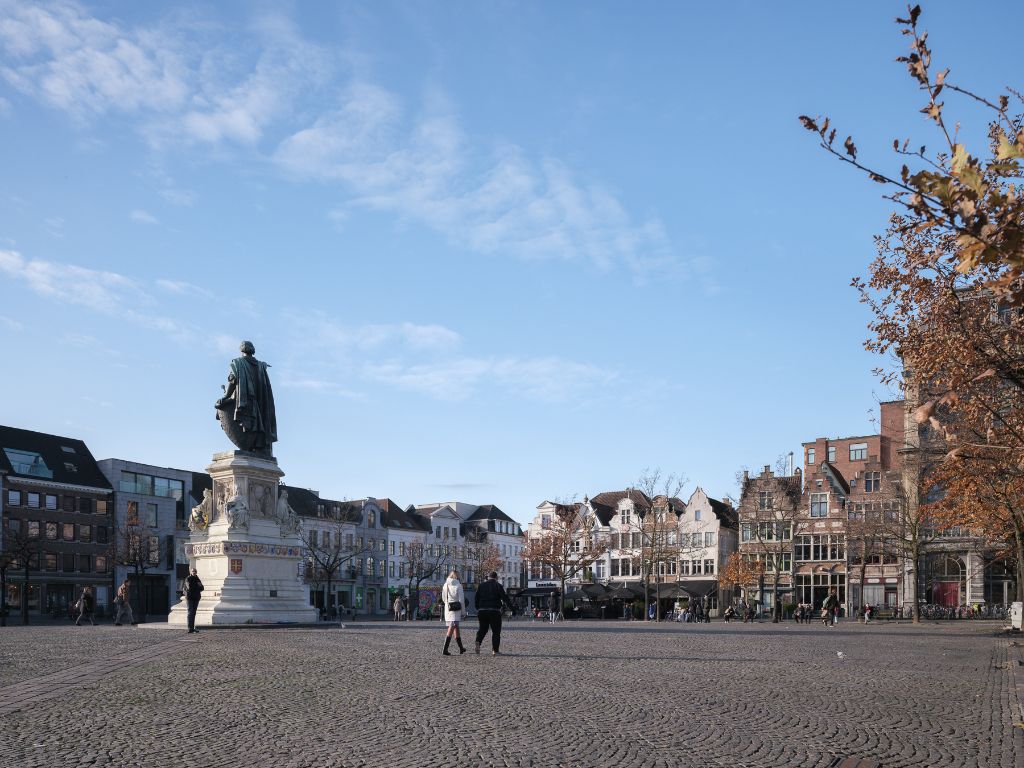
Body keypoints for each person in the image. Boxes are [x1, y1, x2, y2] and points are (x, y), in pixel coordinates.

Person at [215, 340, 278, 456]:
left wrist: (226, 396)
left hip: (246, 401)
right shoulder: (260, 366)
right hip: (260, 403)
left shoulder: (238, 363)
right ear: (252, 350)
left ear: (241, 350)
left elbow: (233, 381)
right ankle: (258, 446)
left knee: (248, 423)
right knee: (257, 423)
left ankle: (249, 445)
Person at [475, 571, 514, 656]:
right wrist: (512, 609)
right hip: (494, 611)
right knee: (496, 631)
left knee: (482, 629)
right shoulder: (498, 586)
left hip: (482, 610)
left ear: (488, 577)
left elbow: (476, 598)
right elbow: (505, 598)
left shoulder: (481, 586)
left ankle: (478, 641)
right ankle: (495, 650)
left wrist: (478, 608)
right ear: (496, 578)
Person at [440, 570, 467, 656]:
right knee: (452, 627)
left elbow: (443, 598)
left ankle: (461, 648)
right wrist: (463, 612)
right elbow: (461, 600)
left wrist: (448, 604)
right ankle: (445, 649)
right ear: (457, 576)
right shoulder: (458, 585)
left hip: (448, 609)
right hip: (456, 609)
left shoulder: (445, 585)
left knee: (456, 627)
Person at [184, 567, 204, 634]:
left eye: (195, 571)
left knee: (194, 613)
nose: (194, 572)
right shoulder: (188, 579)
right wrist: (197, 586)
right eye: (193, 571)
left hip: (196, 597)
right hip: (189, 598)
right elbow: (190, 587)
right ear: (190, 572)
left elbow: (202, 588)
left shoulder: (197, 579)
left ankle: (192, 628)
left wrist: (198, 586)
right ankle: (190, 628)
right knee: (190, 612)